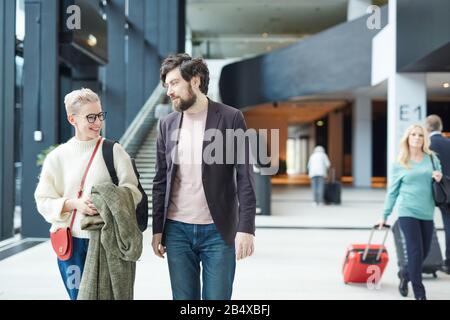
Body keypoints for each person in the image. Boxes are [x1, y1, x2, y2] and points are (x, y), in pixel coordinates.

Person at [151, 53, 256, 300]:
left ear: (195, 81)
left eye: (174, 83)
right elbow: (160, 180)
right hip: (176, 231)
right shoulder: (167, 124)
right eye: (167, 85)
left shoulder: (231, 118)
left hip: (218, 232)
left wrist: (246, 228)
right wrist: (157, 228)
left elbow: (245, 177)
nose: (169, 91)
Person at [34, 88, 142, 300]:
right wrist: (75, 204)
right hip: (71, 243)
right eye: (90, 117)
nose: (98, 122)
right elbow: (43, 200)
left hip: (106, 240)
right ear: (72, 119)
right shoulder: (57, 157)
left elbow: (133, 192)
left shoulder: (114, 151)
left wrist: (106, 202)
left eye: (100, 115)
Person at [379, 124, 443, 300]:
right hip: (407, 211)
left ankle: (405, 274)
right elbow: (392, 192)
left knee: (423, 253)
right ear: (407, 138)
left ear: (424, 139)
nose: (416, 137)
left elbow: (440, 180)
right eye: (413, 134)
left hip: (427, 212)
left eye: (420, 135)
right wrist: (384, 215)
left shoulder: (432, 159)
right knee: (415, 251)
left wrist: (439, 178)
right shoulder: (399, 163)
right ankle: (420, 293)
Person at [425, 114, 450, 274]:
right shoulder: (449, 142)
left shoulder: (428, 145)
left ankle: (427, 260)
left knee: (425, 224)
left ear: (427, 128)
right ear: (440, 127)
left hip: (435, 191)